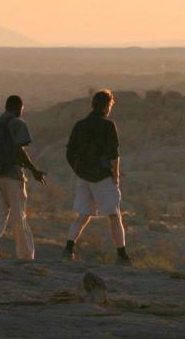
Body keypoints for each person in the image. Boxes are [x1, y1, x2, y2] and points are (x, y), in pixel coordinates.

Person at [63, 90, 131, 265]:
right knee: (114, 215)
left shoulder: (80, 125)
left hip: (84, 175)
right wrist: (115, 176)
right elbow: (114, 155)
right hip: (101, 177)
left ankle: (68, 249)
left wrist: (78, 169)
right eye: (110, 105)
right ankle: (122, 255)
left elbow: (70, 152)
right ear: (106, 105)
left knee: (83, 214)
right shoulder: (108, 125)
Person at [0, 95, 47, 260]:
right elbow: (20, 151)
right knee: (19, 217)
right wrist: (34, 170)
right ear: (19, 107)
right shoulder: (17, 123)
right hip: (12, 176)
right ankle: (25, 256)